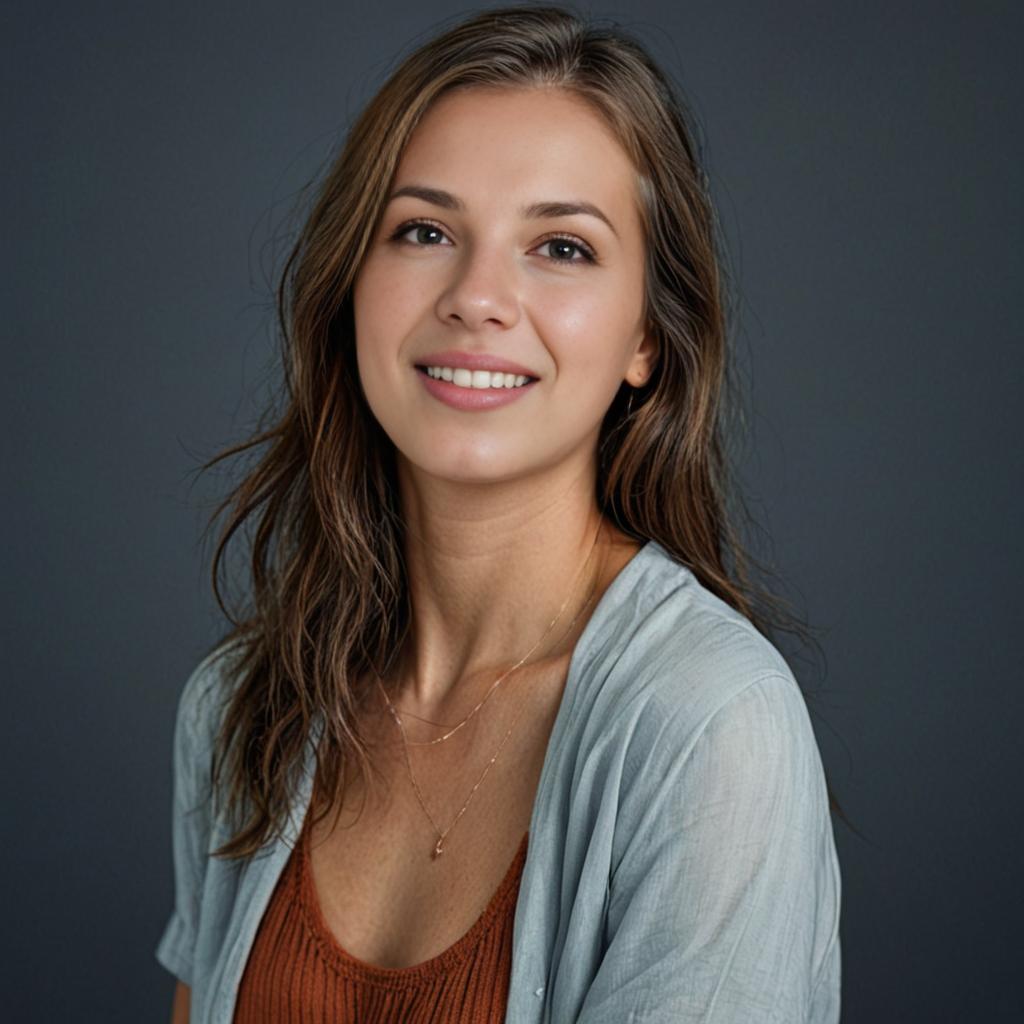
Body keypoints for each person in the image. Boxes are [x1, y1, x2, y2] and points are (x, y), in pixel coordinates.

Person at [155, 5, 842, 1022]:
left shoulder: (710, 725)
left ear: (646, 339)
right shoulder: (243, 706)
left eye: (561, 247)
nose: (478, 296)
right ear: (353, 287)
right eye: (424, 231)